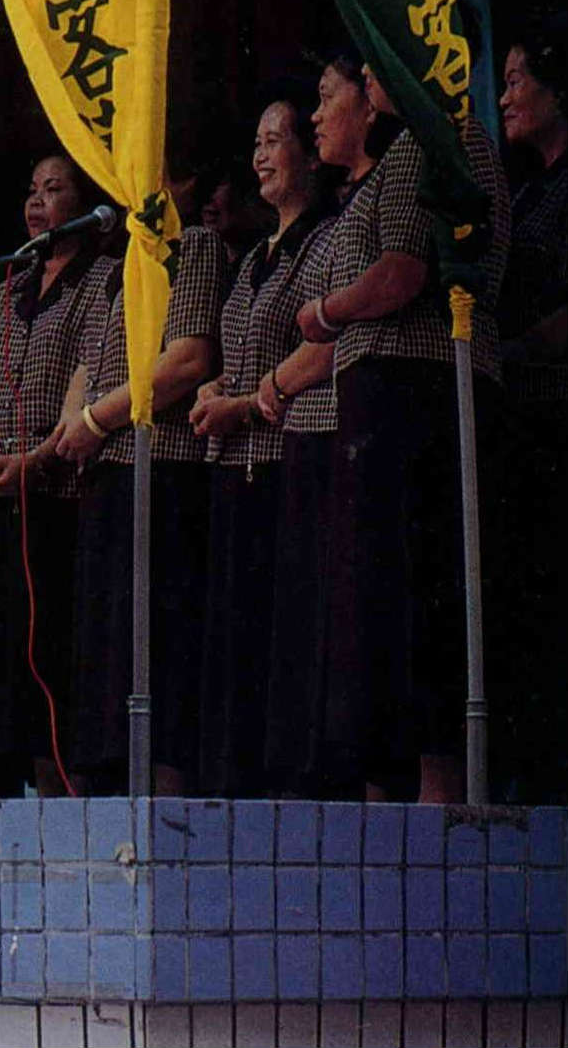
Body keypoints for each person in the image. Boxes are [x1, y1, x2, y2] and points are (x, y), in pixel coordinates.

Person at [295, 56, 510, 803]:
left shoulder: (440, 137)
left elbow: (402, 272)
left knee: (420, 596)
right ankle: (395, 793)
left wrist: (325, 312)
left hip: (419, 386)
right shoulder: (410, 145)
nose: (369, 67)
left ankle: (435, 793)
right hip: (384, 393)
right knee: (380, 605)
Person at [254, 51, 392, 797]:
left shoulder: (368, 199)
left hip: (336, 420)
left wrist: (270, 383)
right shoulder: (337, 211)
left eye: (325, 98)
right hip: (300, 433)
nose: (315, 115)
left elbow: (347, 321)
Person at [187, 90, 332, 797]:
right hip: (231, 466)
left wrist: (241, 404)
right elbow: (237, 351)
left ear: (310, 154)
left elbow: (321, 351)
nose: (261, 156)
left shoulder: (326, 240)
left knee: (284, 639)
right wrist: (214, 388)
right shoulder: (251, 259)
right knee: (233, 641)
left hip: (285, 463)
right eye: (256, 143)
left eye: (275, 141)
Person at [56, 209, 223, 795]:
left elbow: (187, 359)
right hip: (105, 466)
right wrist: (71, 425)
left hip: (162, 464)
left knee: (159, 637)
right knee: (104, 647)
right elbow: (88, 363)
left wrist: (94, 421)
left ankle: (164, 796)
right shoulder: (120, 257)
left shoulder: (192, 245)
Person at [0, 154, 109, 795]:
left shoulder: (100, 280)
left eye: (53, 189)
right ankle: (26, 792)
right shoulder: (7, 288)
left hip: (59, 490)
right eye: (32, 189)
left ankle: (65, 791)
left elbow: (88, 380)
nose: (37, 201)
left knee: (56, 647)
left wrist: (37, 458)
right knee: (6, 651)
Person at [492, 21, 568, 800]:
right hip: (519, 420)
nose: (505, 96)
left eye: (517, 79)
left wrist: (515, 349)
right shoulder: (524, 192)